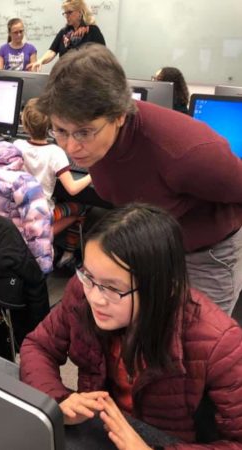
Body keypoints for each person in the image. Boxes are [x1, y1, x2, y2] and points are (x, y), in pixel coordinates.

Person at [37, 43, 242, 316]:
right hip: (152, 246)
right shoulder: (96, 144)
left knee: (198, 345)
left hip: (205, 254)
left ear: (120, 114)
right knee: (149, 332)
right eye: (61, 131)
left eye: (84, 133)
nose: (70, 148)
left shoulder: (188, 153)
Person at [20, 203, 242, 448]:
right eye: (88, 276)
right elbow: (38, 345)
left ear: (164, 288)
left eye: (113, 288)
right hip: (99, 431)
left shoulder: (220, 342)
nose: (95, 297)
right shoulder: (81, 292)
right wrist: (57, 400)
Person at [14, 98, 92, 267]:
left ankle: (42, 236)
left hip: (19, 209)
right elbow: (72, 189)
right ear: (53, 126)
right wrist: (92, 174)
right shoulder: (55, 152)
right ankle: (68, 253)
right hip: (43, 213)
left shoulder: (17, 145)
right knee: (82, 208)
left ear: (24, 123)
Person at [27, 0, 105, 72]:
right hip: (65, 76)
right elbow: (52, 51)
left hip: (85, 77)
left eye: (70, 12)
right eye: (65, 13)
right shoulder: (64, 32)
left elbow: (103, 56)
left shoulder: (92, 30)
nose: (67, 16)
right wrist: (40, 61)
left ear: (80, 12)